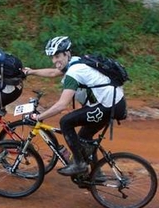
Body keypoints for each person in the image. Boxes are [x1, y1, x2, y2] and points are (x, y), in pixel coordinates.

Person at [24, 36, 127, 176]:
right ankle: (97, 175)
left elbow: (61, 105)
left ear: (66, 53)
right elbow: (53, 72)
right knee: (84, 137)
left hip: (108, 106)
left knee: (65, 122)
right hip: (113, 102)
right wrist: (31, 71)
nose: (55, 61)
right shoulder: (75, 61)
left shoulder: (74, 72)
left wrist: (39, 117)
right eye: (52, 57)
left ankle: (79, 164)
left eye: (57, 56)